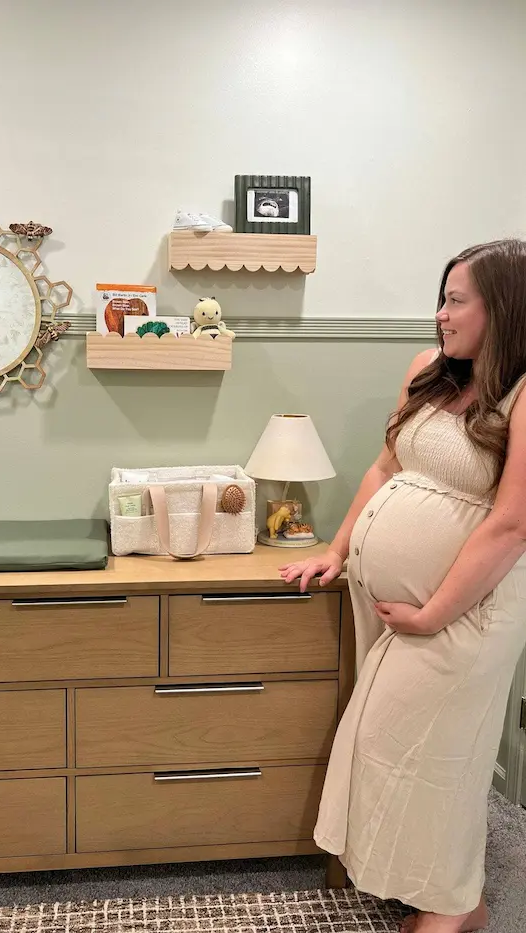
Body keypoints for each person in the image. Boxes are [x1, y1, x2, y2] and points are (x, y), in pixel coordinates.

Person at [279, 239, 526, 933]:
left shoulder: (525, 394)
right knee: (391, 746)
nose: (440, 315)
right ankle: (457, 895)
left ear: (503, 308)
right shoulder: (431, 371)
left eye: (456, 300)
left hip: (468, 612)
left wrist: (436, 612)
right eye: (441, 297)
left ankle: (451, 903)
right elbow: (386, 469)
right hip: (398, 605)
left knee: (439, 754)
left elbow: (511, 526)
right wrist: (338, 548)